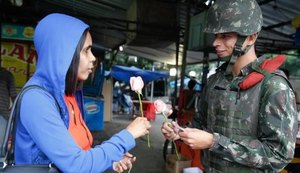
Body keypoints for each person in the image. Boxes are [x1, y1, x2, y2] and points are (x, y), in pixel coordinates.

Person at [161, 0, 298, 172]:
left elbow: (278, 155)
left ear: (251, 37)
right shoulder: (215, 81)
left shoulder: (273, 87)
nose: (215, 43)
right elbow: (200, 124)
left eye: (225, 36)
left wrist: (215, 142)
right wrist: (179, 132)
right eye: (216, 36)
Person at [14, 13, 151, 173]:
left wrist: (111, 159)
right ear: (63, 53)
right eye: (86, 50)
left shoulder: (70, 94)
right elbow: (76, 165)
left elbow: (80, 152)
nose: (93, 58)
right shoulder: (37, 100)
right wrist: (127, 135)